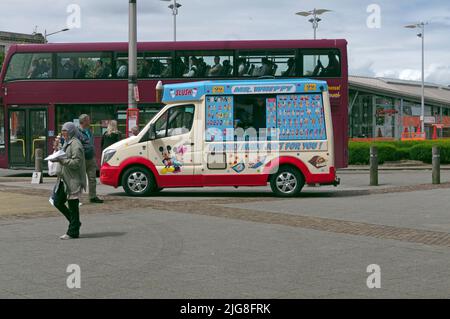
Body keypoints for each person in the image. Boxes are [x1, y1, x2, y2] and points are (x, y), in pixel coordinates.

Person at [51, 122, 86, 240]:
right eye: (62, 131)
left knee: (73, 205)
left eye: (65, 131)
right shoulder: (67, 142)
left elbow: (77, 163)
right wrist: (57, 150)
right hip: (64, 179)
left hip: (72, 179)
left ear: (71, 131)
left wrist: (62, 161)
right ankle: (75, 223)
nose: (63, 133)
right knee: (57, 201)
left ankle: (73, 231)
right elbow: (65, 155)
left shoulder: (76, 144)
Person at [78, 114, 103, 203]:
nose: (90, 121)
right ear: (84, 121)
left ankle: (93, 196)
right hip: (82, 159)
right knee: (80, 180)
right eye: (88, 120)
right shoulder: (78, 132)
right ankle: (77, 198)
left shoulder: (89, 131)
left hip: (91, 158)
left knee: (92, 178)